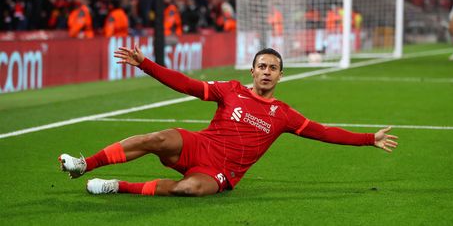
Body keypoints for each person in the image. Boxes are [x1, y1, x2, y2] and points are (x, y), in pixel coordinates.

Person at [59, 47, 398, 197]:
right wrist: (146, 63)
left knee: (188, 190)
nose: (266, 72)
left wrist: (369, 138)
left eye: (273, 68)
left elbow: (324, 132)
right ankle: (83, 165)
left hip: (223, 172)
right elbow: (187, 84)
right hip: (200, 145)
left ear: (281, 75)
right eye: (261, 66)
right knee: (159, 138)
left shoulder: (283, 114)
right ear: (252, 71)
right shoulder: (230, 90)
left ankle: (118, 186)